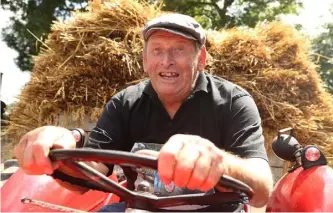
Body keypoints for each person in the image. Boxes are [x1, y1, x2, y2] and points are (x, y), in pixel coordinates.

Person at [14, 13, 273, 212]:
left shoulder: (233, 102)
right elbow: (90, 174)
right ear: (145, 60)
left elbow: (262, 189)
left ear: (201, 58)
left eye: (179, 50)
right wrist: (55, 154)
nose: (166, 61)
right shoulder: (125, 103)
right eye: (157, 50)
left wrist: (220, 162)